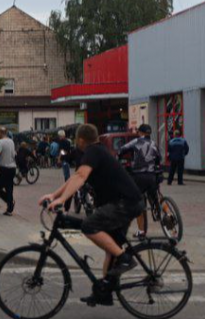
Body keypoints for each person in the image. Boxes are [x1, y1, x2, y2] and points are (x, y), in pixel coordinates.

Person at [39, 123, 144, 306]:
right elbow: (76, 176)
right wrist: (54, 195)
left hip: (124, 203)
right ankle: (104, 292)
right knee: (111, 249)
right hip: (127, 202)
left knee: (89, 225)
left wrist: (62, 200)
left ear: (80, 140)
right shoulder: (97, 151)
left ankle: (126, 258)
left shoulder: (93, 151)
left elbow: (80, 177)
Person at [119, 124, 162, 237]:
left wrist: (119, 158)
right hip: (152, 176)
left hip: (139, 176)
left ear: (140, 132)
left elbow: (122, 149)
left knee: (138, 202)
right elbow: (158, 158)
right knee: (156, 196)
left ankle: (141, 231)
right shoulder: (154, 144)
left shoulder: (136, 142)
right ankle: (166, 213)